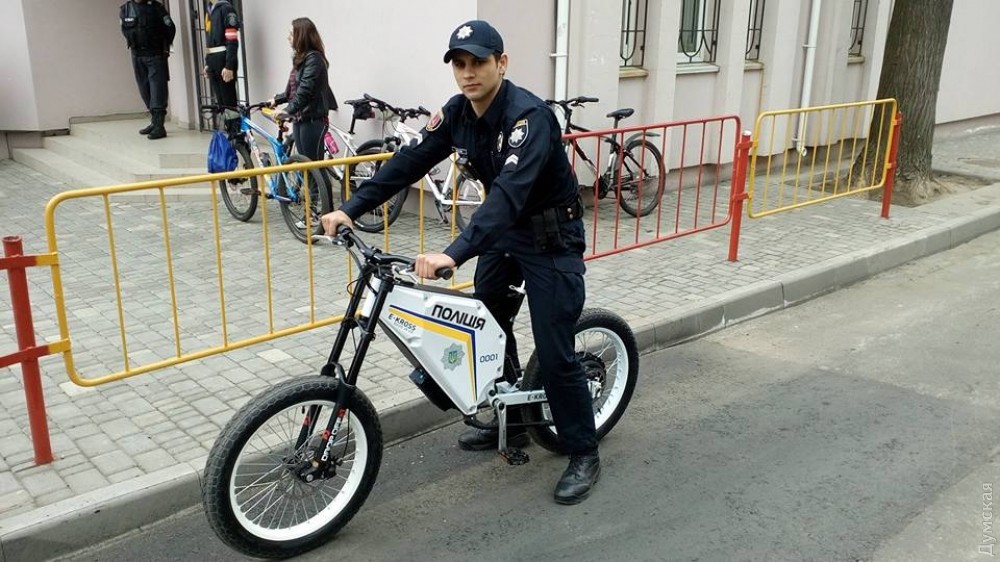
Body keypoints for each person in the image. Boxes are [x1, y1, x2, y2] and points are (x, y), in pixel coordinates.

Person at [321, 20, 599, 505]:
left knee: (556, 351)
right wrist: (350, 207)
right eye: (460, 64)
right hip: (505, 233)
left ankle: (583, 451)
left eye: (479, 62)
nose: (468, 73)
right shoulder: (456, 113)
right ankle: (512, 426)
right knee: (488, 323)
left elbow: (508, 195)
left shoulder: (528, 118)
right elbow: (408, 164)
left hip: (551, 239)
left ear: (502, 63)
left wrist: (453, 254)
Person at [269, 17, 338, 163]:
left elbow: (305, 90)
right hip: (300, 119)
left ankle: (319, 187)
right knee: (305, 166)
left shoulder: (314, 59)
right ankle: (310, 187)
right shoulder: (301, 59)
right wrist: (276, 100)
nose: (288, 37)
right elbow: (292, 91)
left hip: (313, 119)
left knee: (314, 168)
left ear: (301, 36)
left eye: (291, 34)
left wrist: (287, 110)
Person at [119, 0, 176, 140]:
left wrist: (163, 47)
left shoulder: (157, 8)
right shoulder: (125, 9)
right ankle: (154, 121)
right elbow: (125, 30)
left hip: (155, 55)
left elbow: (170, 28)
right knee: (144, 89)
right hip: (137, 55)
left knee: (157, 88)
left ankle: (159, 126)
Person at [204, 0, 241, 138]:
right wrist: (207, 62)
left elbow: (232, 40)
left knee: (229, 102)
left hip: (223, 59)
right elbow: (209, 39)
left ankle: (236, 135)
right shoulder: (210, 10)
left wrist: (229, 65)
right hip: (213, 58)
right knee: (221, 103)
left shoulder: (226, 9)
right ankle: (229, 132)